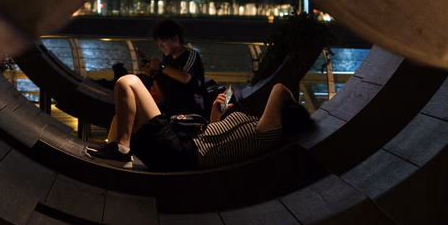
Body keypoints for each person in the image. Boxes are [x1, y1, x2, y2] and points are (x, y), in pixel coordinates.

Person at [87, 76, 310, 171]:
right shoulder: (257, 133)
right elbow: (213, 139)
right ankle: (117, 148)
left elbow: (280, 88)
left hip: (179, 151)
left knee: (128, 82)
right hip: (179, 150)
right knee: (123, 115)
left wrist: (294, 108)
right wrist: (215, 113)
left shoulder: (265, 134)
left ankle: (121, 150)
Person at [145, 19, 208, 118]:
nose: (160, 46)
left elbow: (185, 77)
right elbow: (164, 88)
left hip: (190, 107)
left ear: (175, 39)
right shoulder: (167, 57)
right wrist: (154, 74)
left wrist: (161, 67)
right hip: (171, 104)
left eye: (163, 42)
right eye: (158, 43)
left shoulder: (191, 55)